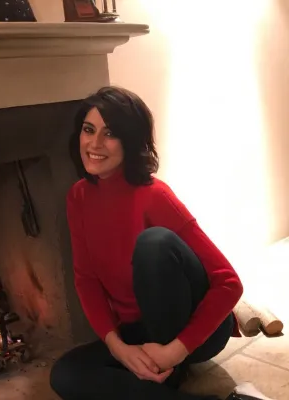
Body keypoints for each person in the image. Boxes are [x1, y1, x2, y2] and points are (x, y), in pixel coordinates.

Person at [50, 86, 256, 400]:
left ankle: (169, 368)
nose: (94, 143)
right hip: (137, 329)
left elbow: (229, 283)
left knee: (154, 244)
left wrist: (174, 352)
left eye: (110, 133)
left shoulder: (154, 195)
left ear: (131, 141)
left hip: (196, 331)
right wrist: (119, 349)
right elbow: (86, 280)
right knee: (65, 374)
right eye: (88, 130)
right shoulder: (78, 197)